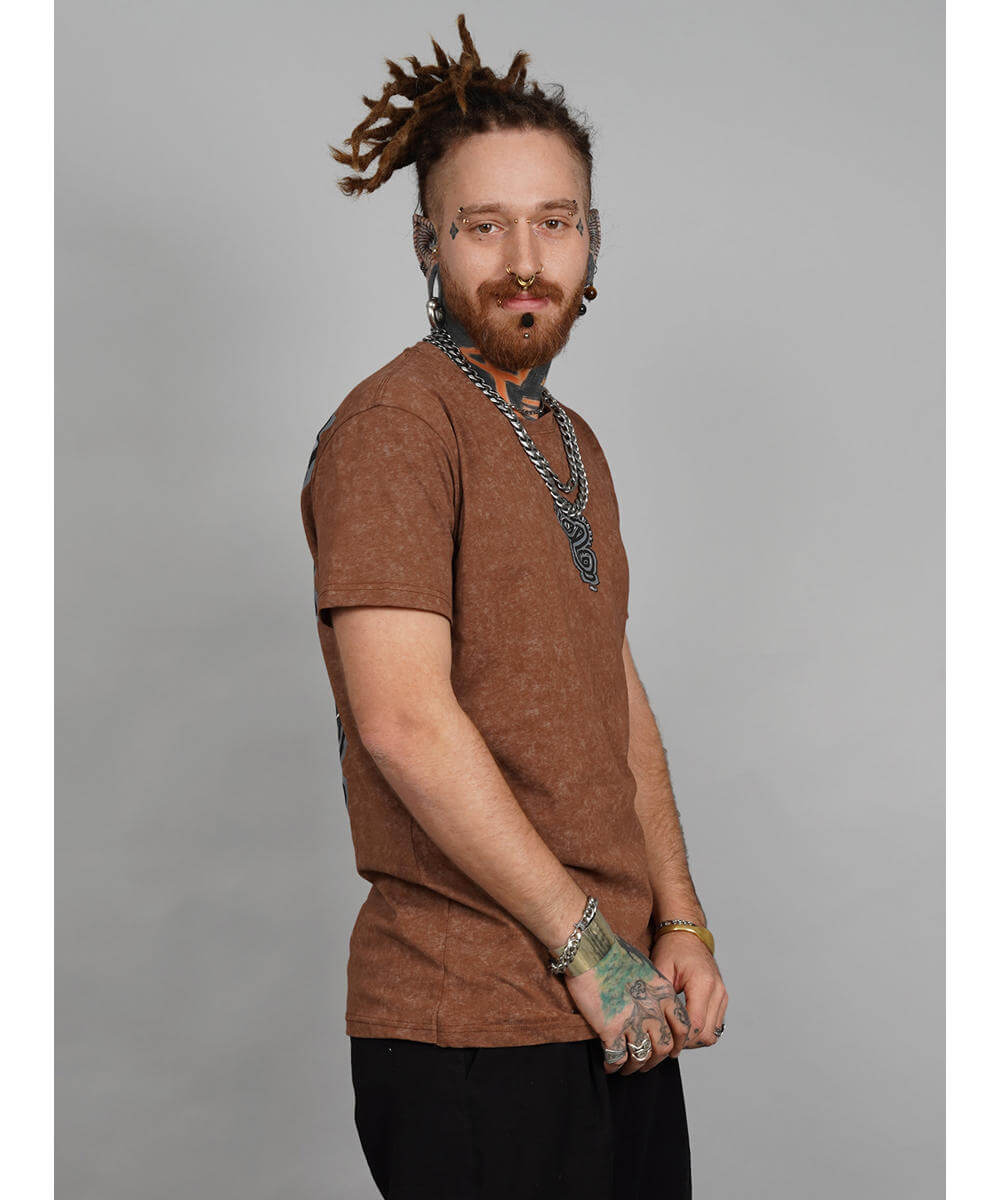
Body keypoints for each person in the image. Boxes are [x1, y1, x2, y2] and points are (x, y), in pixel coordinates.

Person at [299, 15, 728, 1198]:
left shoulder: (567, 440)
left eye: (554, 220)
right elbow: (402, 721)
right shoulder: (399, 428)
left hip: (613, 1003)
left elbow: (613, 697)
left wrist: (675, 927)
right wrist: (586, 944)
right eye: (483, 225)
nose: (524, 256)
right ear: (429, 246)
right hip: (469, 1022)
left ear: (593, 240)